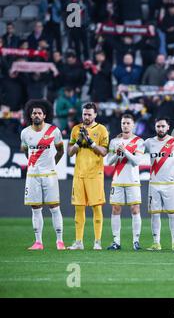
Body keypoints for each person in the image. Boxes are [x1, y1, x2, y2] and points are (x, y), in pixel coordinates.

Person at [20, 99, 65, 250]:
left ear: (45, 115)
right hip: (32, 176)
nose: (37, 115)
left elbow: (60, 151)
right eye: (34, 113)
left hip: (49, 175)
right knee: (35, 208)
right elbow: (26, 151)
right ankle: (38, 242)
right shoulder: (25, 133)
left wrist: (51, 164)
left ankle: (60, 241)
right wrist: (34, 164)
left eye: (39, 113)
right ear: (31, 116)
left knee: (54, 207)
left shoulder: (54, 131)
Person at [67, 103, 109, 250]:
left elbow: (103, 152)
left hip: (95, 175)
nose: (86, 117)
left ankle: (97, 242)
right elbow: (70, 152)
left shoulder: (101, 129)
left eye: (89, 114)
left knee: (97, 208)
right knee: (79, 208)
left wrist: (90, 141)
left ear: (95, 115)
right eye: (84, 114)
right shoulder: (76, 129)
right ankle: (79, 242)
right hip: (79, 174)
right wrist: (79, 140)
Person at [144, 117, 174, 251]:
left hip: (170, 183)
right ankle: (156, 242)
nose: (160, 129)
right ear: (155, 127)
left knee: (172, 214)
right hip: (154, 183)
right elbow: (136, 152)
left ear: (168, 127)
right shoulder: (149, 142)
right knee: (155, 214)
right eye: (158, 126)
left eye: (162, 126)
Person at [106, 114, 144, 251]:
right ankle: (116, 241)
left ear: (133, 125)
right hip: (117, 180)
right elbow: (108, 162)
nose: (125, 125)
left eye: (128, 123)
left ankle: (136, 241)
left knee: (135, 209)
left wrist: (125, 151)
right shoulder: (114, 141)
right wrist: (117, 153)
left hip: (133, 180)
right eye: (123, 123)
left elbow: (137, 161)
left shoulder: (139, 141)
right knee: (116, 208)